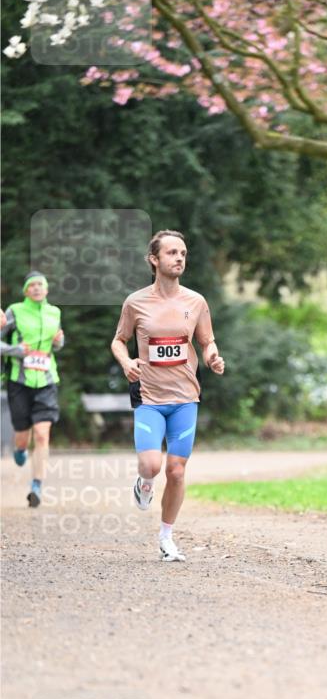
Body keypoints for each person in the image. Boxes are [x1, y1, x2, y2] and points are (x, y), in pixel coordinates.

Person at [111, 229, 225, 562]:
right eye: (172, 253)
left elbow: (207, 342)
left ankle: (166, 537)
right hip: (149, 397)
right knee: (150, 466)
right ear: (154, 259)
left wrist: (213, 357)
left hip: (185, 398)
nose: (179, 258)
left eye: (183, 253)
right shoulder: (136, 302)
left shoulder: (196, 302)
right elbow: (119, 340)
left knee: (176, 471)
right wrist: (125, 361)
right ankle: (144, 484)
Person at [0, 273, 64, 508]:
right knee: (22, 435)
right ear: (26, 291)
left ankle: (37, 485)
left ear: (46, 290)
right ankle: (19, 450)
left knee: (41, 434)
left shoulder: (54, 313)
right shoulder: (14, 311)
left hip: (47, 380)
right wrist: (16, 350)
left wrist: (59, 341)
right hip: (19, 380)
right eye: (32, 285)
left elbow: (57, 343)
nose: (37, 288)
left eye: (41, 285)